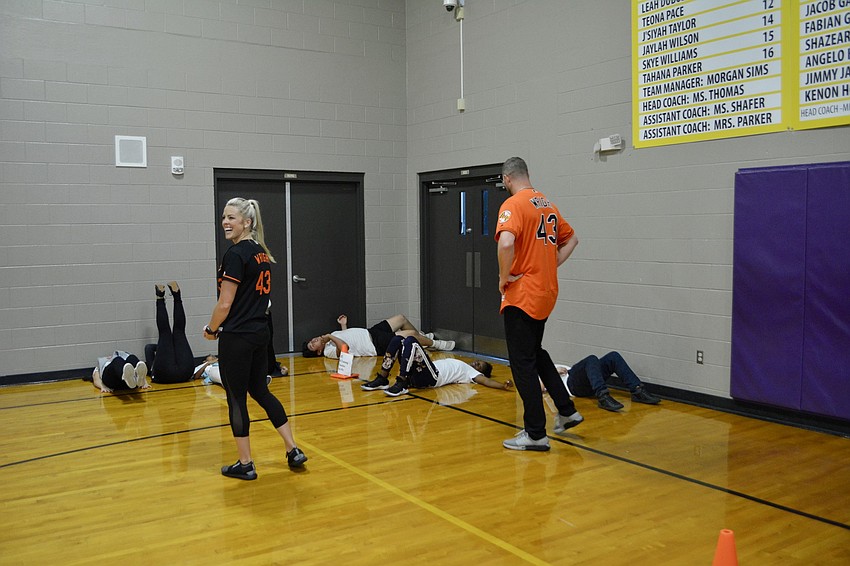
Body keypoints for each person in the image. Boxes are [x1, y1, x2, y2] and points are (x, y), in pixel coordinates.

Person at [205, 197, 307, 480]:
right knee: (261, 391)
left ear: (246, 222)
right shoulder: (260, 253)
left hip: (237, 336)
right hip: (260, 334)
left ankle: (246, 463)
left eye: (231, 218)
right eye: (224, 217)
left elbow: (225, 304)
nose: (225, 222)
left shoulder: (236, 255)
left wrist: (212, 329)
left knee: (237, 399)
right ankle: (293, 449)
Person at [496, 156, 583, 452]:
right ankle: (566, 410)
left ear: (507, 179)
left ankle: (535, 433)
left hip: (523, 294)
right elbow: (572, 240)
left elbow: (506, 243)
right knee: (534, 351)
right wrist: (550, 264)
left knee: (521, 362)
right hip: (546, 292)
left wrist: (503, 277)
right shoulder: (547, 204)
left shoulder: (513, 205)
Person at [360, 335, 513, 396]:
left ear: (479, 371)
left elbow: (486, 381)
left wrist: (502, 385)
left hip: (432, 377)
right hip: (420, 374)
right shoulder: (462, 364)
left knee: (411, 341)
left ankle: (401, 382)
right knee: (397, 339)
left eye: (478, 364)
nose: (474, 363)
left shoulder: (470, 373)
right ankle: (383, 378)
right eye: (477, 362)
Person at [302, 313, 455, 359]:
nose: (313, 340)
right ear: (318, 351)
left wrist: (343, 325)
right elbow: (344, 347)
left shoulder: (332, 338)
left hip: (371, 332)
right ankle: (436, 344)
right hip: (375, 345)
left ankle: (422, 339)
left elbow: (347, 336)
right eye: (312, 345)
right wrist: (329, 336)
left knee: (401, 319)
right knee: (411, 335)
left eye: (311, 340)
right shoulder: (329, 352)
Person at [553, 352, 661, 411]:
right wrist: (554, 371)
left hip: (579, 376)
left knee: (613, 357)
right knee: (591, 358)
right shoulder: (538, 370)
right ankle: (603, 396)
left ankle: (637, 390)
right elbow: (540, 387)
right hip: (571, 384)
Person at [144, 281, 195, 383]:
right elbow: (149, 348)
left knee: (178, 331)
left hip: (174, 373)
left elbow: (148, 348)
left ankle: (176, 296)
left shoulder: (153, 370)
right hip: (184, 372)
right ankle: (160, 297)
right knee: (166, 332)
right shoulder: (153, 368)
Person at [194, 354, 286, 386]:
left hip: (226, 367)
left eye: (214, 356)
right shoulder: (205, 366)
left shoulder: (220, 360)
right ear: (205, 360)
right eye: (211, 357)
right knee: (223, 377)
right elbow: (196, 376)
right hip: (213, 371)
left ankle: (260, 380)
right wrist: (207, 363)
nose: (213, 357)